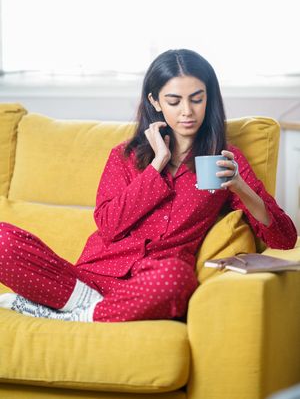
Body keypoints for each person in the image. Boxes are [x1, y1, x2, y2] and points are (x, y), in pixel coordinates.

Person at [0, 49, 297, 323]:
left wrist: (239, 186)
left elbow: (284, 237)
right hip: (92, 276)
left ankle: (73, 314)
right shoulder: (124, 155)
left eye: (197, 99)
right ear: (154, 101)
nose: (187, 112)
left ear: (210, 98)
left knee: (176, 280)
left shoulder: (225, 159)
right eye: (174, 101)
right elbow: (108, 226)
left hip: (154, 281)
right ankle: (88, 306)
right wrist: (157, 164)